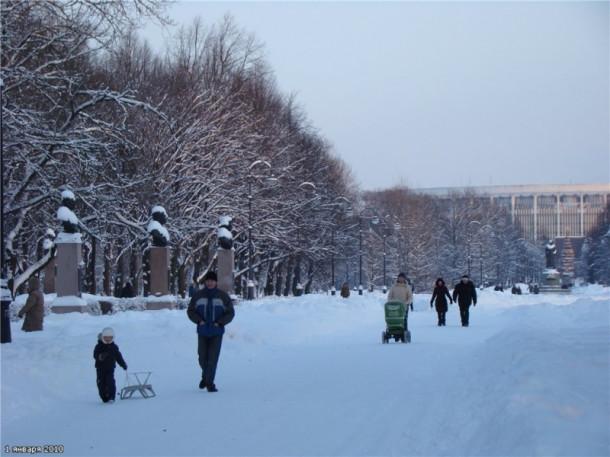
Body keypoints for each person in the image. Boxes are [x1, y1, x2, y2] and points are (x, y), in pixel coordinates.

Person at [187, 271, 235, 392]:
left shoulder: (222, 296)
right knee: (202, 358)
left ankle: (210, 383)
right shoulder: (198, 296)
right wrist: (199, 321)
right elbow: (191, 311)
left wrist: (220, 322)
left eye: (212, 281)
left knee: (212, 359)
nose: (209, 283)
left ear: (216, 282)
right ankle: (205, 376)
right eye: (208, 281)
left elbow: (230, 313)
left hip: (216, 332)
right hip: (202, 331)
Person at [93, 327, 128, 403]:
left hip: (110, 368)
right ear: (102, 337)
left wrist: (123, 364)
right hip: (100, 368)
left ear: (113, 337)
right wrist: (101, 356)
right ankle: (104, 396)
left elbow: (118, 357)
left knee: (110, 381)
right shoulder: (99, 346)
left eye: (110, 337)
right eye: (106, 338)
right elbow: (95, 355)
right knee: (101, 382)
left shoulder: (114, 347)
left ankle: (111, 396)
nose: (108, 339)